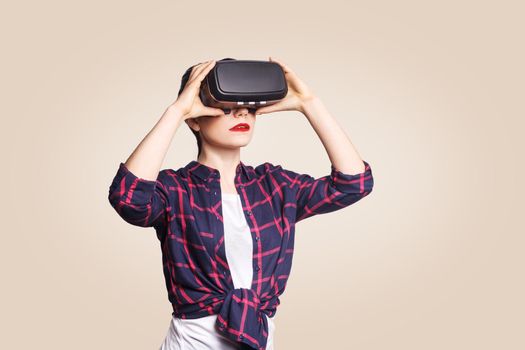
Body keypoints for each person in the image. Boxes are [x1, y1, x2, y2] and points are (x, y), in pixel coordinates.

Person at [108, 57, 374, 350]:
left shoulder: (274, 185)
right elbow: (128, 198)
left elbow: (354, 184)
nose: (241, 115)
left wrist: (308, 103)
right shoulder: (176, 189)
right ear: (195, 119)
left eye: (249, 108)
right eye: (226, 108)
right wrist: (176, 112)